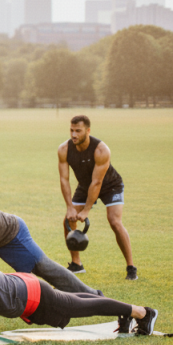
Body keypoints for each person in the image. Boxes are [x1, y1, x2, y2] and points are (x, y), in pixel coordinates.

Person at [0, 250, 158, 345]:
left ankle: (141, 313)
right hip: (26, 291)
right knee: (73, 301)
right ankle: (126, 312)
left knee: (79, 307)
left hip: (31, 294)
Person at [57, 115, 136, 279]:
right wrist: (70, 207)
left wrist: (86, 210)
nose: (73, 135)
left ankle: (131, 267)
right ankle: (76, 264)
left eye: (78, 131)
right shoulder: (64, 149)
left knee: (114, 221)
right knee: (68, 220)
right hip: (86, 186)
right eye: (71, 130)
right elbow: (64, 179)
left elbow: (97, 182)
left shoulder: (101, 150)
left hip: (110, 185)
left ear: (88, 130)